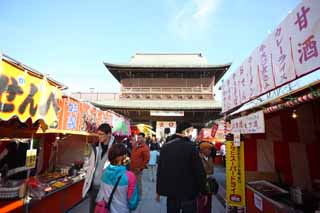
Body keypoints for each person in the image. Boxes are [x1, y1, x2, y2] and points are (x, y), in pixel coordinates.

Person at [156, 122, 207, 213]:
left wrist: (159, 191)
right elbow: (199, 171)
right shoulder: (191, 147)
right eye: (191, 131)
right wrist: (204, 191)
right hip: (189, 193)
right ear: (185, 132)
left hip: (171, 193)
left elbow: (160, 170)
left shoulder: (165, 147)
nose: (191, 134)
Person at [96, 143, 139, 213]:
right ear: (123, 157)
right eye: (125, 155)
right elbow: (133, 202)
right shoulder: (130, 176)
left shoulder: (104, 172)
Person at [82, 123, 115, 213]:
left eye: (101, 134)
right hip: (94, 186)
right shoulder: (95, 147)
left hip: (106, 187)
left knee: (103, 210)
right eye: (98, 134)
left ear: (109, 134)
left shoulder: (115, 149)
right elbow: (89, 163)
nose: (99, 136)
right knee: (92, 210)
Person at [130, 132, 150, 197]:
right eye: (138, 137)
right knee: (132, 182)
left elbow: (146, 159)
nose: (139, 139)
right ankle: (133, 195)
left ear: (144, 138)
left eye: (140, 138)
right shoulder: (135, 144)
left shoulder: (145, 148)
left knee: (138, 183)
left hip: (138, 169)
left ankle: (139, 196)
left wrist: (141, 168)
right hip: (132, 167)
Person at [197, 142, 215, 213]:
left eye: (210, 149)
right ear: (203, 150)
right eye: (208, 149)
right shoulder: (198, 158)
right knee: (202, 204)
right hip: (202, 184)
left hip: (209, 183)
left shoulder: (210, 158)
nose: (210, 151)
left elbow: (211, 171)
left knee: (208, 204)